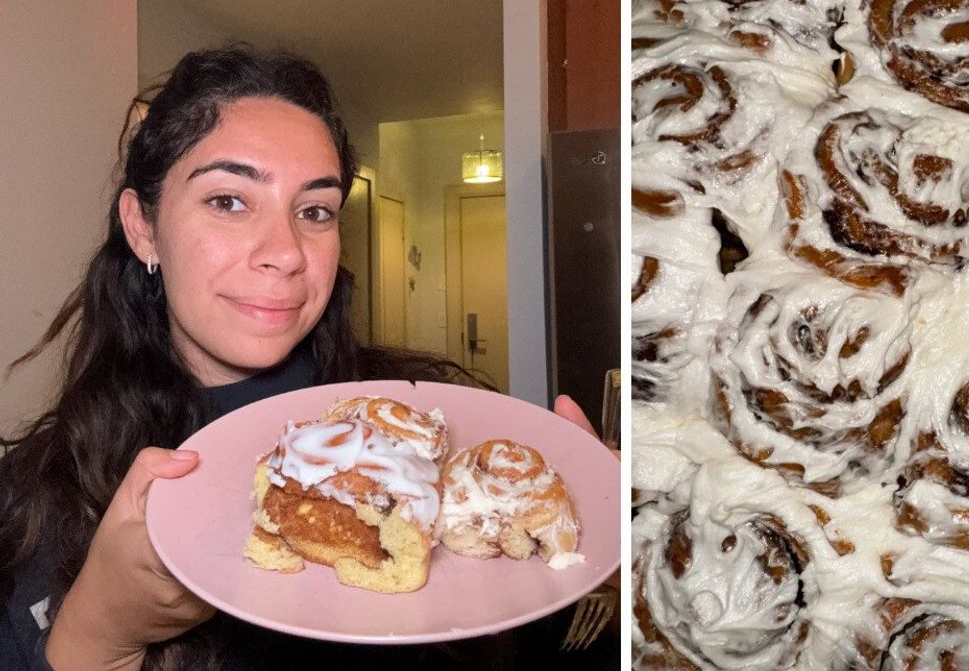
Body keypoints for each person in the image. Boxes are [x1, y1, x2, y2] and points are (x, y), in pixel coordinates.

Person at [0, 44, 604, 671]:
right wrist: (97, 636)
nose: (286, 251)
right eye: (228, 201)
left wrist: (613, 555)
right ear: (143, 226)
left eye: (314, 211)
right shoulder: (34, 496)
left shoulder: (434, 433)